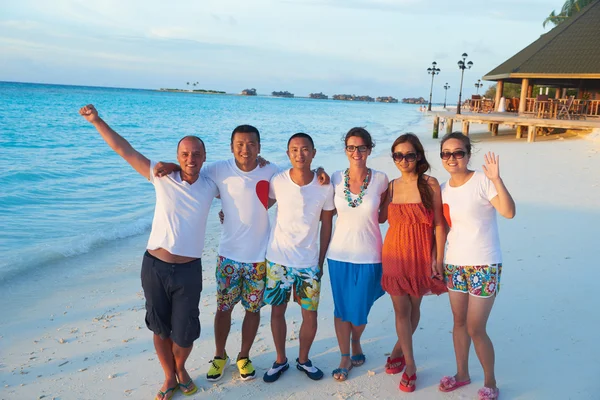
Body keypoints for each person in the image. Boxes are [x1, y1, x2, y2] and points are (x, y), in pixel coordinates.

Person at [154, 126, 329, 382]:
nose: (245, 149)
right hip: (228, 255)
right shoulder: (218, 169)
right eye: (239, 144)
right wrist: (171, 165)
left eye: (251, 144)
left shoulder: (272, 171)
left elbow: (299, 177)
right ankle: (219, 355)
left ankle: (244, 356)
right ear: (231, 146)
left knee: (253, 310)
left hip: (260, 257)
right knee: (223, 309)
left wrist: (320, 172)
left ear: (259, 147)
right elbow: (191, 169)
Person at [79, 104, 216, 400]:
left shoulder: (211, 183)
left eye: (196, 154)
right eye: (184, 154)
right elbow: (124, 150)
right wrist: (96, 121)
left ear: (204, 157)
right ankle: (170, 376)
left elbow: (245, 177)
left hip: (190, 270)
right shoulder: (162, 176)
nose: (190, 158)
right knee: (159, 326)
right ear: (178, 155)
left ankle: (180, 366)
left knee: (186, 331)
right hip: (155, 265)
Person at [437, 132, 515, 400]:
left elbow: (508, 211)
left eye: (458, 152)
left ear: (468, 155)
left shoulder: (483, 181)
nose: (452, 158)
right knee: (458, 322)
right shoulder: (443, 190)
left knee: (475, 327)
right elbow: (445, 228)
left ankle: (490, 382)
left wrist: (497, 179)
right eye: (446, 153)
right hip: (455, 264)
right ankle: (462, 374)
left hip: (484, 263)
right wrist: (436, 259)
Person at [262, 133, 335, 383]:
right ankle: (280, 360)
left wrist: (321, 260)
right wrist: (229, 213)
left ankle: (303, 360)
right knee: (277, 312)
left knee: (310, 315)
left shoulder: (325, 185)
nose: (299, 154)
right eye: (294, 150)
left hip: (308, 263)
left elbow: (327, 225)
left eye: (305, 149)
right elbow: (259, 205)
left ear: (313, 153)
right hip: (277, 260)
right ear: (287, 154)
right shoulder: (278, 180)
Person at [379, 133, 447, 392]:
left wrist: (438, 258)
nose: (403, 160)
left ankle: (397, 350)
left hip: (420, 253)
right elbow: (379, 217)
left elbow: (440, 224)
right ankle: (410, 365)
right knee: (401, 310)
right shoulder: (392, 186)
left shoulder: (430, 184)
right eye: (398, 155)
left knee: (414, 307)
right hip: (394, 253)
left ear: (418, 155)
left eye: (409, 155)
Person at [326, 127, 388, 382]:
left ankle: (356, 340)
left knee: (360, 309)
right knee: (341, 309)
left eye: (361, 147)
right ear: (345, 150)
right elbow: (320, 209)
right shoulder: (333, 178)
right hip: (338, 253)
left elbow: (385, 214)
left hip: (370, 254)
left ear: (369, 150)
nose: (356, 152)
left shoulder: (382, 179)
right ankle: (344, 355)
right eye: (351, 147)